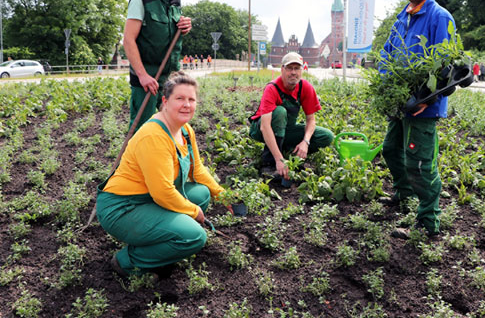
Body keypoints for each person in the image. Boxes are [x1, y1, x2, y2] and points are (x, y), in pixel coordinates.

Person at [97, 71, 230, 280]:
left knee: (201, 194)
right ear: (165, 101)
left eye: (191, 99)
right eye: (180, 98)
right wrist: (194, 212)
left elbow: (198, 171)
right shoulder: (154, 136)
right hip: (123, 208)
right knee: (195, 236)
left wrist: (224, 196)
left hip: (147, 199)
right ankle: (127, 261)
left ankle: (159, 243)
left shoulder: (185, 130)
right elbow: (162, 192)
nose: (186, 104)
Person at [379, 0, 457, 239]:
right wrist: (386, 84)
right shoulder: (403, 17)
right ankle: (403, 194)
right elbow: (386, 55)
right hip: (400, 103)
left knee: (420, 164)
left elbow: (444, 64)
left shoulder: (439, 16)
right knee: (390, 149)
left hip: (424, 106)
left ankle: (428, 223)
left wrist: (425, 97)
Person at [123, 0, 192, 132]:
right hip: (147, 76)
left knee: (172, 125)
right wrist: (143, 75)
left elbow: (174, 33)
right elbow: (128, 40)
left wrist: (184, 27)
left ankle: (165, 160)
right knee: (141, 129)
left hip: (170, 76)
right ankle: (132, 161)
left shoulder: (175, 0)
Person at [249, 52, 334, 180]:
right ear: (282, 69)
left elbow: (311, 120)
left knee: (326, 136)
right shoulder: (272, 88)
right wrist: (278, 160)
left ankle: (291, 156)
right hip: (261, 129)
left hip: (286, 130)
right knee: (280, 112)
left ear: (301, 70)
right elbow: (265, 127)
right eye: (289, 68)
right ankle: (269, 162)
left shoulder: (305, 87)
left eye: (297, 68)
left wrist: (305, 142)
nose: (293, 72)